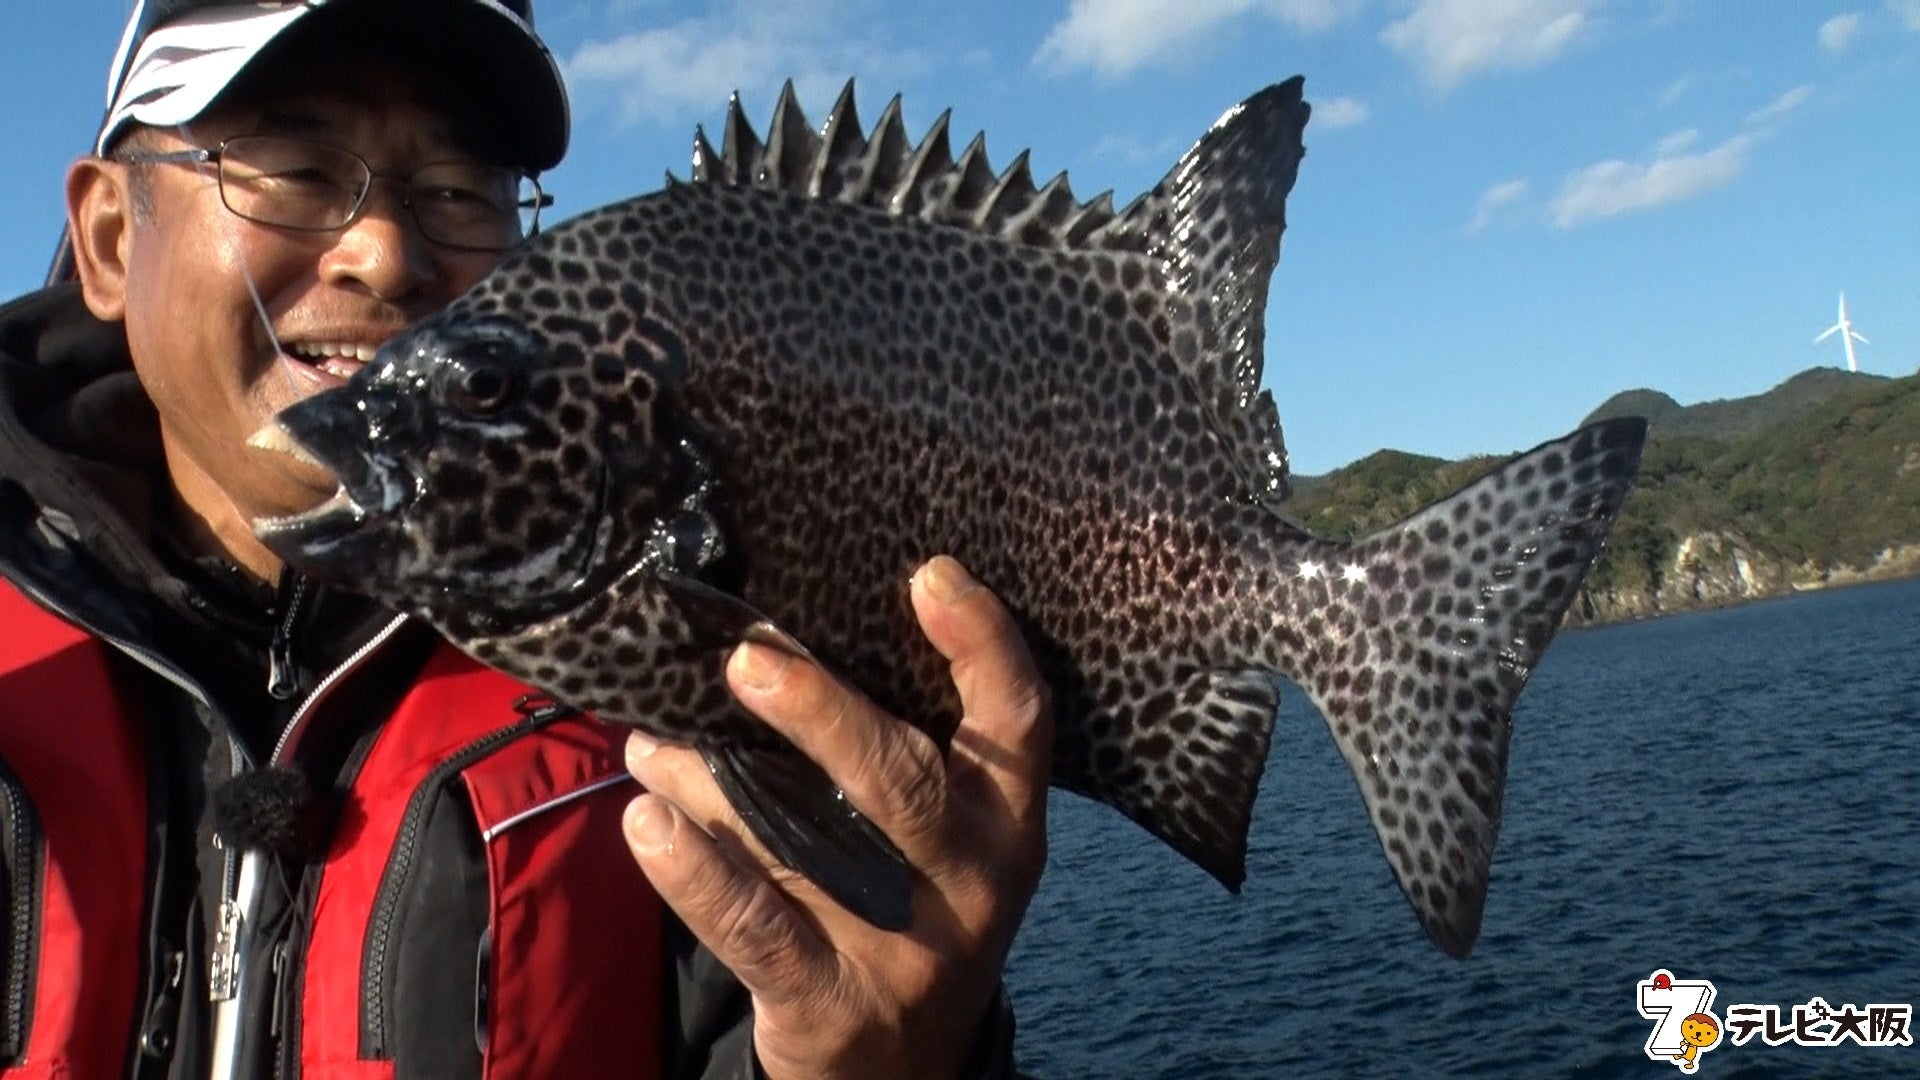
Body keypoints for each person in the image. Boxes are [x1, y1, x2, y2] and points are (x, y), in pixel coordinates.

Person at [0, 1, 1051, 1077]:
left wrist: (904, 1059)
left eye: (459, 192)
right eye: (297, 171)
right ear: (111, 239)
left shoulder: (675, 709)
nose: (387, 253)